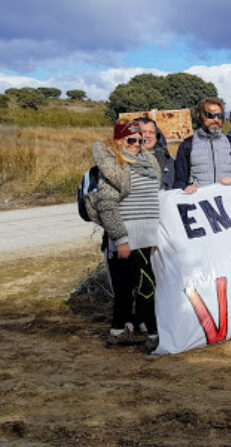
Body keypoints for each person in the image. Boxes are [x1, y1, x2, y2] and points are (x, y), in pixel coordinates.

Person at [88, 120, 161, 348]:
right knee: (143, 285)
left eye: (139, 141)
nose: (136, 145)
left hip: (149, 237)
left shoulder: (146, 164)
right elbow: (107, 206)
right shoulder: (115, 167)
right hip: (129, 237)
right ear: (118, 141)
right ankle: (151, 333)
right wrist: (121, 239)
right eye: (131, 140)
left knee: (132, 286)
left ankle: (120, 330)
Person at [173, 97, 231, 193]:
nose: (216, 119)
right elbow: (179, 181)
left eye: (219, 116)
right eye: (210, 115)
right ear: (199, 116)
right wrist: (184, 189)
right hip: (199, 203)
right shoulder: (187, 145)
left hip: (229, 201)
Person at [134, 116, 174, 190]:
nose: (147, 135)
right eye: (143, 132)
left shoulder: (168, 161)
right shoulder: (127, 160)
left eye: (151, 132)